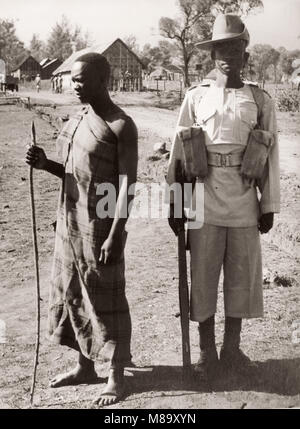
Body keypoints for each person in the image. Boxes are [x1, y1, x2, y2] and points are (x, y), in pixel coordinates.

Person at [166, 14, 280, 380]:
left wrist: (269, 205)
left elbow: (272, 158)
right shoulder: (195, 96)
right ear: (212, 54)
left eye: (235, 48)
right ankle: (205, 354)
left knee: (241, 277)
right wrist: (175, 202)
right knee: (202, 277)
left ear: (245, 54)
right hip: (203, 199)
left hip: (245, 199)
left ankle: (231, 350)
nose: (227, 55)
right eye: (220, 49)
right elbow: (179, 154)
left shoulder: (260, 99)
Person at [26, 53, 138, 406]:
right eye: (73, 79)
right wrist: (46, 165)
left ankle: (117, 374)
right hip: (70, 222)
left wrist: (116, 233)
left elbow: (128, 186)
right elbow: (76, 173)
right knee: (74, 294)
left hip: (100, 226)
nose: (75, 85)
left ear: (103, 80)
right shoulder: (80, 118)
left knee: (108, 300)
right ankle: (84, 366)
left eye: (82, 79)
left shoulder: (121, 125)